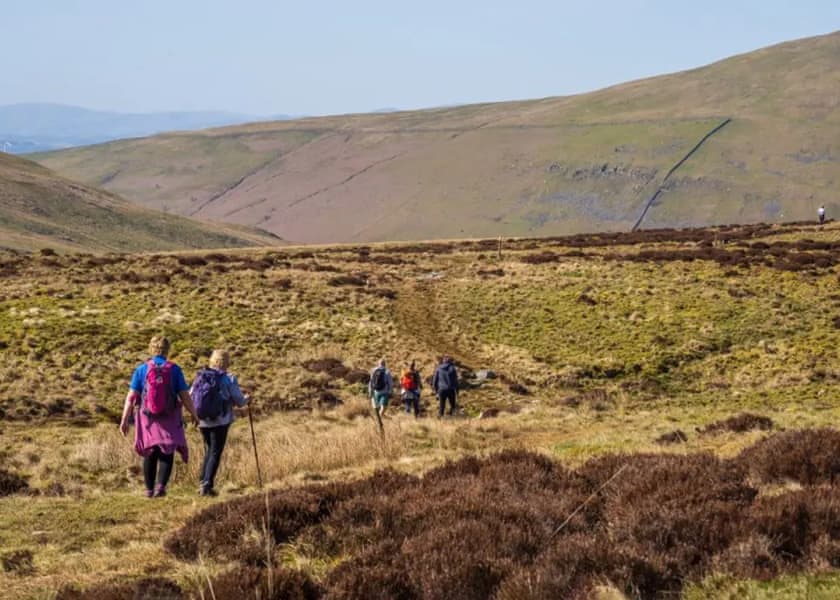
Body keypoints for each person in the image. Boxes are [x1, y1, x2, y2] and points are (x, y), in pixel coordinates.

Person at [119, 335, 198, 498]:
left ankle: (149, 490)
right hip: (169, 416)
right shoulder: (174, 369)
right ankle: (160, 487)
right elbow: (185, 395)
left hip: (147, 417)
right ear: (167, 350)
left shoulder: (142, 370)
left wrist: (124, 419)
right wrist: (194, 414)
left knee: (150, 452)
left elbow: (131, 396)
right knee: (167, 450)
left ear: (151, 349)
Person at [193, 349, 250, 497]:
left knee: (209, 450)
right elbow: (240, 401)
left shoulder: (201, 376)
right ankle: (207, 485)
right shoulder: (228, 379)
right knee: (215, 452)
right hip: (220, 421)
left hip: (203, 421)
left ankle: (202, 481)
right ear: (226, 362)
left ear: (212, 360)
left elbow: (191, 394)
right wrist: (247, 398)